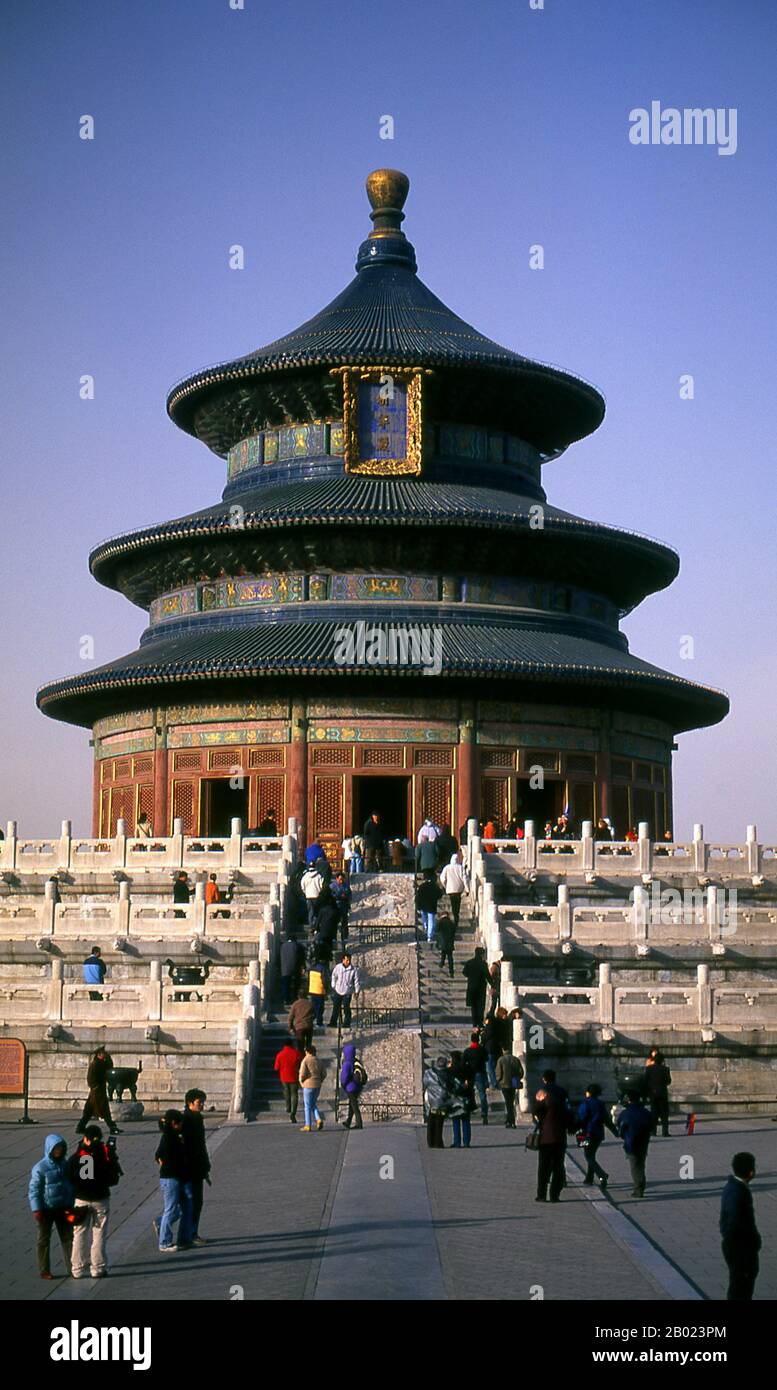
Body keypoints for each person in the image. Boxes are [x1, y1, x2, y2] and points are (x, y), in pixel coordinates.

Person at [67, 1124, 121, 1278]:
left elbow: (69, 1175)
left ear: (86, 1138)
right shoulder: (104, 1154)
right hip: (100, 1199)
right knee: (99, 1234)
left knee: (79, 1234)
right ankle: (97, 1267)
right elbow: (114, 1178)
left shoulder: (79, 1155)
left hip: (81, 1199)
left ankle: (77, 1268)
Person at [28, 1133, 74, 1280]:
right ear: (50, 1149)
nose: (59, 1151)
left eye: (61, 1148)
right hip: (46, 1209)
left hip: (63, 1207)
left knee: (68, 1238)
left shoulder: (65, 1164)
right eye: (56, 1148)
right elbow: (34, 1190)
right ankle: (44, 1269)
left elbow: (70, 1184)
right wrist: (36, 1209)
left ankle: (73, 1266)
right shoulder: (40, 1168)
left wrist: (72, 1201)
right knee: (44, 1239)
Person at [720, 1152, 761, 1301]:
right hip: (740, 1248)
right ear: (751, 1172)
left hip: (735, 1245)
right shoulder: (738, 1191)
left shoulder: (732, 1186)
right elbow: (735, 1221)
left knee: (739, 1285)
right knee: (741, 1287)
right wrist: (752, 1242)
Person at [155, 1110, 194, 1252]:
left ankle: (162, 1224)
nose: (181, 1126)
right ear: (173, 1124)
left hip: (179, 1177)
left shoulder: (175, 1136)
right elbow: (160, 1156)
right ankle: (164, 1242)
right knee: (171, 1209)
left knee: (184, 1208)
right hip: (171, 1178)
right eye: (179, 1124)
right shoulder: (169, 1138)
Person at [533, 1069, 571, 1203]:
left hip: (546, 1136)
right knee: (558, 1166)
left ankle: (541, 1194)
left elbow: (536, 1111)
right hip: (560, 1135)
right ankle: (555, 1195)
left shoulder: (541, 1093)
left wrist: (540, 1121)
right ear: (555, 1078)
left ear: (544, 1079)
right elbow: (568, 1112)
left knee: (543, 1167)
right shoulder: (562, 1092)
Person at [181, 1089, 211, 1245]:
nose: (202, 1106)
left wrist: (206, 1166)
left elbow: (201, 1145)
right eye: (200, 1103)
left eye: (203, 1103)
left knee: (195, 1202)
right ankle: (190, 1235)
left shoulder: (198, 1119)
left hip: (198, 1167)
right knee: (191, 1202)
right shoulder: (184, 1120)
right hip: (188, 1168)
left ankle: (190, 1233)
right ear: (189, 1103)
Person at [576, 1082, 617, 1187]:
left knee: (588, 1156)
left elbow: (581, 1118)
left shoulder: (586, 1103)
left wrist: (574, 1128)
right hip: (598, 1133)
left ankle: (602, 1175)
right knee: (591, 1155)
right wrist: (615, 1132)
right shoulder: (601, 1104)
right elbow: (607, 1120)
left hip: (587, 1133)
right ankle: (589, 1178)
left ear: (588, 1093)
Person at [618, 1089, 654, 1198]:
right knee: (640, 1164)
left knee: (635, 1166)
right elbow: (652, 1126)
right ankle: (640, 1185)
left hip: (631, 1141)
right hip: (644, 1141)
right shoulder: (645, 1112)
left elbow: (621, 1126)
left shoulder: (625, 1113)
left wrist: (622, 1135)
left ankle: (639, 1189)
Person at [76, 1046, 119, 1135]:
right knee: (105, 1111)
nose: (104, 1055)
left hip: (98, 1092)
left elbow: (109, 1066)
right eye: (103, 1053)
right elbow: (90, 1078)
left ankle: (80, 1127)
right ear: (99, 1054)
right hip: (97, 1093)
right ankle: (112, 1127)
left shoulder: (101, 1063)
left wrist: (109, 1058)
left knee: (88, 1111)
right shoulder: (95, 1064)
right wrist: (94, 1087)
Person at [461, 1030, 489, 1124]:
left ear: (471, 1041)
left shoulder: (467, 1051)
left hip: (469, 1074)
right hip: (480, 1073)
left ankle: (469, 1110)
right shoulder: (482, 1050)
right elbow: (487, 1059)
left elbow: (463, 1064)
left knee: (469, 1093)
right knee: (482, 1095)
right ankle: (484, 1114)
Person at [447, 1052, 474, 1148]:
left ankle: (457, 1142)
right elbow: (471, 1080)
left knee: (456, 1120)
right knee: (466, 1120)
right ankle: (466, 1142)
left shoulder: (450, 1070)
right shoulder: (467, 1068)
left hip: (455, 1098)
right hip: (466, 1097)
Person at [423, 1056, 450, 1148]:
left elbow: (425, 1083)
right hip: (442, 1101)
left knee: (431, 1121)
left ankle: (430, 1142)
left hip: (432, 1102)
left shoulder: (429, 1073)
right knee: (439, 1122)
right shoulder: (447, 1073)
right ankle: (438, 1142)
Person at [644, 1047, 672, 1136]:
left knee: (654, 1112)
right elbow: (668, 1081)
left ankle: (653, 1131)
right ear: (662, 1060)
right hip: (662, 1093)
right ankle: (665, 1132)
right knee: (664, 1113)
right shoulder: (665, 1069)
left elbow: (645, 1081)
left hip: (652, 1093)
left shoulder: (649, 1069)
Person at [298, 1044, 326, 1131]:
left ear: (307, 1051)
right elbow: (324, 1073)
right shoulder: (319, 1060)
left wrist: (301, 1082)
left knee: (307, 1106)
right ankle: (318, 1119)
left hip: (308, 1085)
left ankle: (308, 1125)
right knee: (313, 1103)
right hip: (317, 1085)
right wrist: (320, 1080)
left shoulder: (305, 1060)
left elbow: (302, 1074)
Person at [329, 952, 361, 1029]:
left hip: (347, 992)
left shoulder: (354, 970)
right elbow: (334, 976)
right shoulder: (338, 967)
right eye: (346, 960)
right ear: (343, 960)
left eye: (349, 960)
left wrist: (357, 991)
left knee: (346, 1008)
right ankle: (333, 1023)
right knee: (336, 1007)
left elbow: (356, 981)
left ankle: (346, 1023)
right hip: (338, 990)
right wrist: (333, 985)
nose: (348, 962)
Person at [274, 1038, 302, 1123]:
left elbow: (276, 1067)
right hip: (294, 1076)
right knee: (294, 1094)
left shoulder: (280, 1054)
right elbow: (301, 1062)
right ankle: (293, 1113)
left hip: (284, 1077)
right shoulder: (296, 1053)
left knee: (286, 1091)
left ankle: (288, 1106)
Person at [495, 1044, 523, 1128]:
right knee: (510, 1102)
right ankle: (509, 1120)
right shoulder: (515, 1059)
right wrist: (517, 1078)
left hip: (504, 1084)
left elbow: (498, 1073)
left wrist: (498, 1080)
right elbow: (521, 1072)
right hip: (514, 1083)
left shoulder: (501, 1060)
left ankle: (511, 1121)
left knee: (508, 1103)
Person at [482, 1006, 510, 1088]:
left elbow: (487, 1035)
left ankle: (494, 1083)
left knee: (490, 1066)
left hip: (491, 1048)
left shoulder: (493, 1023)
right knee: (494, 1066)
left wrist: (482, 1039)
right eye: (505, 1014)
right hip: (496, 1047)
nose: (506, 1016)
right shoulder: (501, 1023)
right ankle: (496, 1082)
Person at [340, 1042, 366, 1129]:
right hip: (358, 1086)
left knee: (354, 1105)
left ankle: (359, 1123)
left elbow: (344, 1077)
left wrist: (344, 1085)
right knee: (352, 1103)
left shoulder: (347, 1063)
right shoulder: (356, 1061)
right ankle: (348, 1121)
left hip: (350, 1087)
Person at [463, 946, 491, 1027]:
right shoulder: (483, 964)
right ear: (481, 954)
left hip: (471, 987)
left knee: (474, 1006)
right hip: (481, 988)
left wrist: (471, 976)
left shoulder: (469, 962)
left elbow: (464, 972)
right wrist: (492, 984)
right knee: (480, 1006)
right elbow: (487, 975)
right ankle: (480, 1022)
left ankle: (474, 1023)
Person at [439, 851, 467, 926]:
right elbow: (465, 879)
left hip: (450, 889)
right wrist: (467, 889)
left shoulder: (447, 867)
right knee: (457, 905)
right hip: (458, 890)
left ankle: (453, 918)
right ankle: (456, 917)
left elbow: (442, 878)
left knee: (452, 903)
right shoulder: (460, 868)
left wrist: (445, 885)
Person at [417, 869, 443, 945]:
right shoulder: (435, 886)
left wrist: (418, 905)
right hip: (431, 905)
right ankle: (429, 936)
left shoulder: (421, 886)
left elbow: (418, 896)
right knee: (431, 920)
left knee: (424, 918)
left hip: (423, 905)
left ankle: (425, 926)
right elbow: (439, 895)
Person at [280, 935, 303, 1007]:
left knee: (285, 984)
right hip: (295, 968)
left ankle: (285, 999)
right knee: (296, 984)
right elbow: (300, 957)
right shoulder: (297, 946)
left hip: (284, 969)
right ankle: (295, 997)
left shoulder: (282, 946)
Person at [301, 862, 325, 927]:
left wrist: (306, 892)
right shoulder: (319, 876)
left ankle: (311, 924)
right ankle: (317, 925)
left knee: (310, 912)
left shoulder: (305, 876)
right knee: (317, 911)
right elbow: (321, 886)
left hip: (308, 896)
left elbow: (302, 887)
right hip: (316, 895)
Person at [330, 871, 352, 944]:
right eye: (340, 879)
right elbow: (331, 896)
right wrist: (338, 896)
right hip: (335, 906)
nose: (341, 881)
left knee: (344, 922)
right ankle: (334, 937)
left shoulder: (346, 886)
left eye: (342, 879)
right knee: (334, 923)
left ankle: (344, 937)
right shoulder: (332, 886)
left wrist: (346, 898)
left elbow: (349, 895)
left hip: (344, 906)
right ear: (337, 879)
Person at [308, 955, 329, 1026]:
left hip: (312, 990)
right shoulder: (322, 968)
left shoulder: (310, 968)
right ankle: (319, 1022)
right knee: (320, 1008)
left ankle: (311, 1020)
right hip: (319, 990)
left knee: (314, 1007)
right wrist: (326, 989)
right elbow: (325, 980)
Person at [436, 913, 456, 978]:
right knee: (450, 957)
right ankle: (451, 972)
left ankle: (442, 963)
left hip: (443, 942)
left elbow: (436, 929)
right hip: (450, 942)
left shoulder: (440, 922)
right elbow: (454, 930)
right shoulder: (451, 923)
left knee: (443, 953)